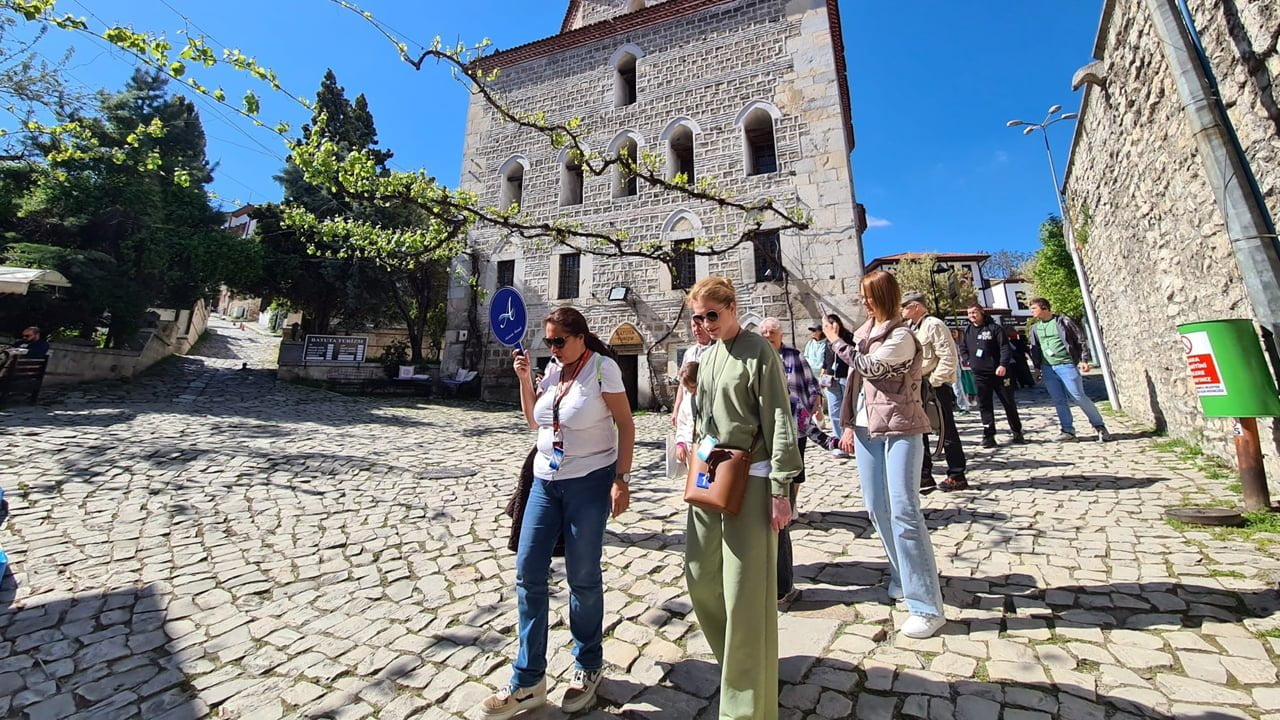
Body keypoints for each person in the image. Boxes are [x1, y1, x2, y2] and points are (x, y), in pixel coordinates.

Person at [477, 307, 635, 720]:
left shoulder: (602, 369)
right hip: (545, 482)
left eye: (558, 341)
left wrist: (621, 477)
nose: (553, 348)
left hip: (588, 482)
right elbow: (534, 421)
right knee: (528, 572)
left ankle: (588, 663)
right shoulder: (553, 369)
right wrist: (525, 378)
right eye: (548, 342)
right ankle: (528, 679)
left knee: (583, 577)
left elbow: (625, 423)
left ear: (580, 337)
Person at [685, 277, 801, 720]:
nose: (706, 323)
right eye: (698, 317)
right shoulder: (706, 355)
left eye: (712, 314)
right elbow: (703, 421)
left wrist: (781, 488)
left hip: (752, 478)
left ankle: (746, 707)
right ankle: (739, 665)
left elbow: (778, 416)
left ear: (732, 308)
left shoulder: (759, 351)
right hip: (710, 475)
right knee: (700, 576)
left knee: (745, 593)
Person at [824, 271, 947, 639]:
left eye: (868, 296)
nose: (864, 303)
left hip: (901, 428)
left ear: (883, 297)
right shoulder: (866, 333)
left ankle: (926, 605)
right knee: (877, 507)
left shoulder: (902, 337)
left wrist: (836, 342)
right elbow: (855, 385)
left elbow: (870, 368)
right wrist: (847, 424)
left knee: (904, 510)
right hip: (865, 429)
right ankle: (902, 576)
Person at [758, 317, 819, 605]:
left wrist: (814, 408)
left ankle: (789, 507)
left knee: (794, 472)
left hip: (796, 425)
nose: (768, 335)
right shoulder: (758, 355)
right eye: (764, 332)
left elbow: (810, 385)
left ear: (780, 334)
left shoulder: (794, 356)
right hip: (767, 434)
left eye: (772, 331)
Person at [900, 292, 969, 492]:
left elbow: (948, 357)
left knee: (946, 429)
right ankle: (924, 474)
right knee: (920, 431)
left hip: (934, 385)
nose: (902, 310)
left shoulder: (934, 325)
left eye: (905, 306)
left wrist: (935, 381)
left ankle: (957, 474)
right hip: (918, 384)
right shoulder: (913, 328)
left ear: (915, 306)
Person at [1027, 297, 1113, 443]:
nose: (1032, 311)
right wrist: (1037, 368)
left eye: (1034, 308)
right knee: (1059, 400)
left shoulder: (1062, 321)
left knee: (1078, 396)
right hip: (1048, 368)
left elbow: (1079, 339)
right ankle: (1067, 430)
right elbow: (1035, 349)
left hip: (1066, 365)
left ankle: (1099, 426)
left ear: (1044, 308)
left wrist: (1083, 359)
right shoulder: (1035, 328)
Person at [958, 305, 1025, 448]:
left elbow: (1005, 348)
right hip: (980, 374)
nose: (972, 315)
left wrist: (1003, 364)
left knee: (1008, 403)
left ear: (981, 312)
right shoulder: (968, 330)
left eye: (974, 312)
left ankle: (1017, 431)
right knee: (984, 405)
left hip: (999, 373)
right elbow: (963, 347)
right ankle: (989, 435)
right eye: (969, 313)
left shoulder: (995, 328)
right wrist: (968, 360)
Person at [821, 314, 854, 459]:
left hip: (845, 377)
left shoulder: (848, 338)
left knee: (848, 410)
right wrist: (822, 375)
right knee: (834, 411)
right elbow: (825, 360)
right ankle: (840, 444)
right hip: (831, 379)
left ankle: (851, 442)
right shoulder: (827, 341)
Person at [670, 315, 713, 427]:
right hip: (688, 406)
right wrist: (676, 409)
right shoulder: (689, 353)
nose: (696, 330)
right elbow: (682, 384)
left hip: (707, 406)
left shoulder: (716, 350)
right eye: (693, 326)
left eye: (699, 325)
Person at [673, 361, 699, 471]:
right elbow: (682, 424)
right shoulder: (687, 400)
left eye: (692, 387)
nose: (690, 391)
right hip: (689, 449)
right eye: (687, 388)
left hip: (705, 450)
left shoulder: (709, 400)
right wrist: (680, 444)